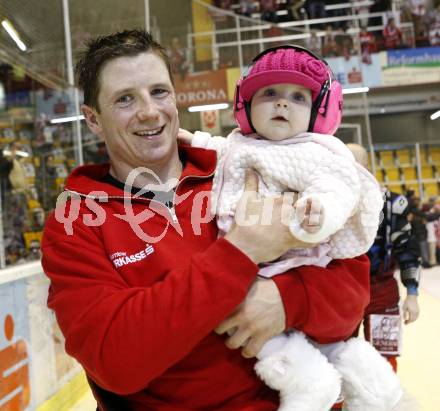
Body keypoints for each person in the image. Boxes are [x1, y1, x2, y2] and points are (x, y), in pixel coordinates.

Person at [41, 30, 371, 411]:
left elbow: (352, 292)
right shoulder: (76, 221)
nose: (149, 111)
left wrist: (289, 299)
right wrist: (241, 250)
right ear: (93, 119)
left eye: (159, 92)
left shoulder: (244, 166)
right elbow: (115, 360)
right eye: (125, 99)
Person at [179, 45, 400, 411]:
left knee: (250, 321)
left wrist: (320, 213)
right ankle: (352, 371)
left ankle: (314, 381)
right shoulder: (241, 142)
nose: (282, 104)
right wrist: (196, 141)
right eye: (269, 94)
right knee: (247, 317)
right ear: (245, 106)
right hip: (249, 260)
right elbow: (222, 149)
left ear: (318, 111)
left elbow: (337, 187)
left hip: (297, 256)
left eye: (297, 97)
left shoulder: (314, 151)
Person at [347, 144, 421, 373]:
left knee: (383, 357)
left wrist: (412, 294)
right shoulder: (328, 204)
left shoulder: (391, 206)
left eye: (355, 163)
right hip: (341, 293)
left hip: (382, 291)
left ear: (367, 167)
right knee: (335, 355)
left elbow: (408, 251)